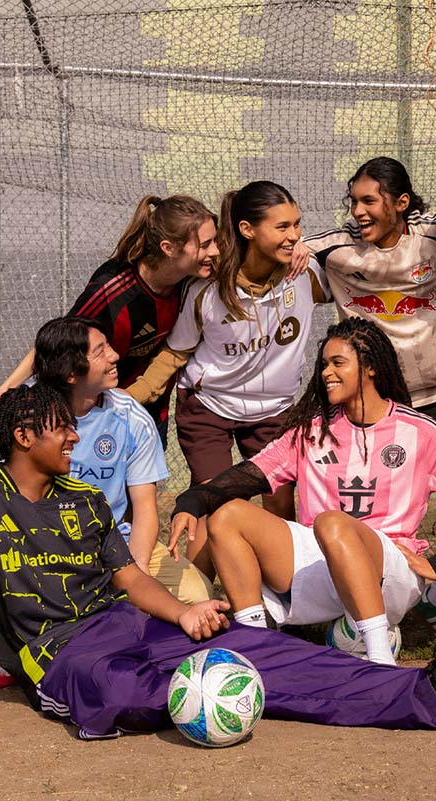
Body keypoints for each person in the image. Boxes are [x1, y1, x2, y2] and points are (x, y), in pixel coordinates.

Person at [0, 382, 436, 737]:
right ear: (25, 436)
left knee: (259, 650)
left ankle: (422, 696)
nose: (75, 439)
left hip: (127, 622)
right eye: (62, 430)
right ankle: (188, 690)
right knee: (114, 694)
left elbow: (128, 576)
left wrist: (182, 615)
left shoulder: (83, 500)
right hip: (58, 651)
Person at [168, 318, 436, 666]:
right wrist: (191, 502)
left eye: (338, 363)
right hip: (320, 562)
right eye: (324, 364)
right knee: (227, 515)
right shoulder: (311, 431)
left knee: (332, 523)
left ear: (370, 367)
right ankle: (256, 650)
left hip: (387, 569)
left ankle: (380, 661)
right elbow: (249, 475)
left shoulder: (420, 431)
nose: (327, 372)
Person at [304, 157, 436, 637]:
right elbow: (294, 254)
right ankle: (341, 593)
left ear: (401, 202)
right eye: (353, 201)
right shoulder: (333, 249)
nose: (358, 211)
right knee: (355, 498)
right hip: (374, 404)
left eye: (369, 200)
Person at [0, 317, 215, 688]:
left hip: (114, 544)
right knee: (7, 598)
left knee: (196, 593)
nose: (116, 355)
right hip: (39, 546)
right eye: (101, 350)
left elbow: (146, 512)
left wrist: (133, 579)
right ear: (72, 372)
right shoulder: (24, 414)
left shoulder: (130, 417)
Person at [135, 181, 329, 576]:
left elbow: (355, 270)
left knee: (279, 498)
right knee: (213, 501)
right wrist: (129, 396)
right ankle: (201, 598)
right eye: (282, 227)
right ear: (246, 230)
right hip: (209, 407)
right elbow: (177, 352)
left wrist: (315, 250)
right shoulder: (206, 288)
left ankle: (287, 595)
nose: (294, 235)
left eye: (297, 225)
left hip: (275, 409)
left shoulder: (306, 271)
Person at [0, 195, 219, 444]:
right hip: (102, 408)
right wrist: (10, 385)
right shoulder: (113, 288)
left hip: (148, 408)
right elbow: (62, 340)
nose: (215, 251)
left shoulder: (193, 280)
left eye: (215, 241)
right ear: (168, 248)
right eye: (205, 244)